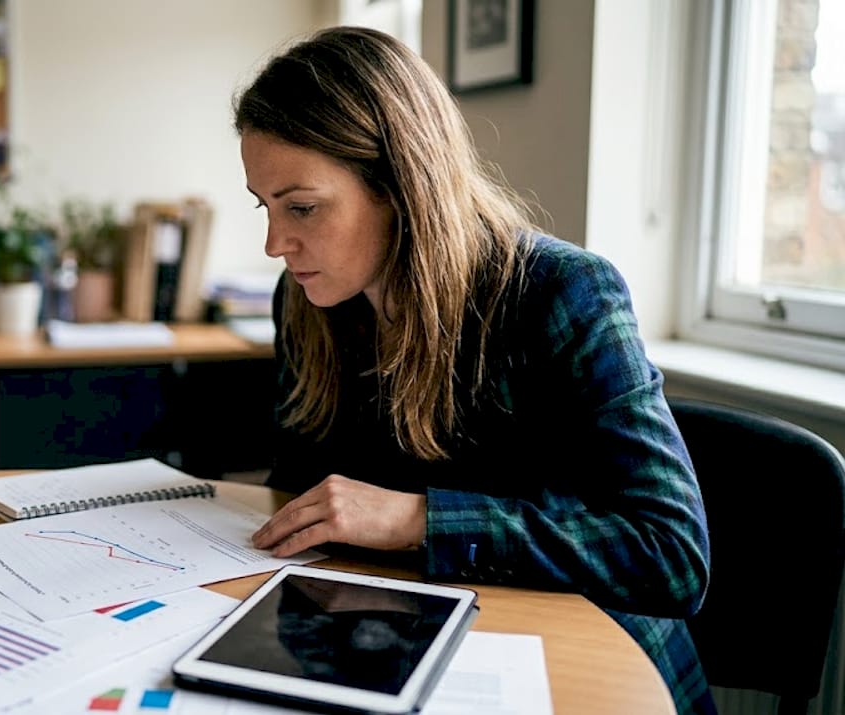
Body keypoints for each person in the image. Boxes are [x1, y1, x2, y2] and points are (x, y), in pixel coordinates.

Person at [236, 26, 713, 715]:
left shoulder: (562, 292)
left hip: (581, 673)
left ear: (399, 185)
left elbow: (671, 554)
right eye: (267, 206)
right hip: (397, 644)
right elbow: (302, 492)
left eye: (301, 207)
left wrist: (421, 519)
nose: (276, 243)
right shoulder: (308, 301)